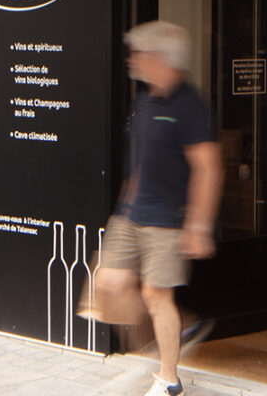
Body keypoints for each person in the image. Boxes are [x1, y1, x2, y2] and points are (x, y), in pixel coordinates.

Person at [95, 20, 223, 396]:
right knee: (108, 283)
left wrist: (198, 226)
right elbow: (139, 162)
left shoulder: (190, 106)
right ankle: (179, 329)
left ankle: (169, 379)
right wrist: (123, 206)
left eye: (138, 54)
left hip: (168, 218)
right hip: (132, 212)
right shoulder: (145, 100)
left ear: (158, 58)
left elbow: (208, 168)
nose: (132, 60)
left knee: (155, 295)